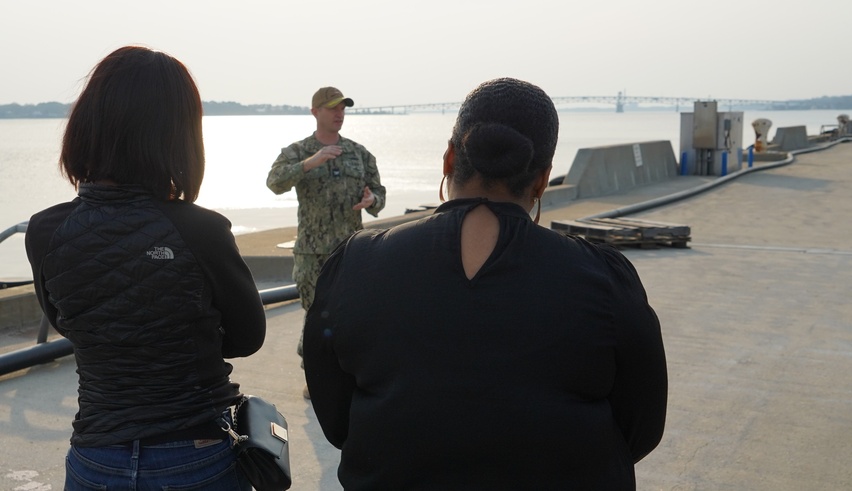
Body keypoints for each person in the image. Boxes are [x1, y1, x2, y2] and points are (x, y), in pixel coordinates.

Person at [302, 78, 668, 489]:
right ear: (543, 179)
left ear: (449, 158)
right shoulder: (603, 278)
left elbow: (336, 418)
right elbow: (641, 427)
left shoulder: (357, 262)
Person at [24, 46, 266, 490]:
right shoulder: (201, 230)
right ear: (178, 135)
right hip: (195, 454)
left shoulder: (45, 231)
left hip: (95, 458)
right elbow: (247, 338)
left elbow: (68, 323)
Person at [266, 86, 386, 398]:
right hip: (311, 250)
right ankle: (316, 378)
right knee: (316, 315)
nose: (338, 113)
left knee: (352, 312)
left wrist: (372, 198)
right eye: (332, 107)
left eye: (342, 108)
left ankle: (350, 375)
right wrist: (310, 163)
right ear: (315, 112)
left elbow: (379, 195)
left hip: (351, 247)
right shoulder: (298, 151)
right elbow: (274, 182)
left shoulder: (359, 153)